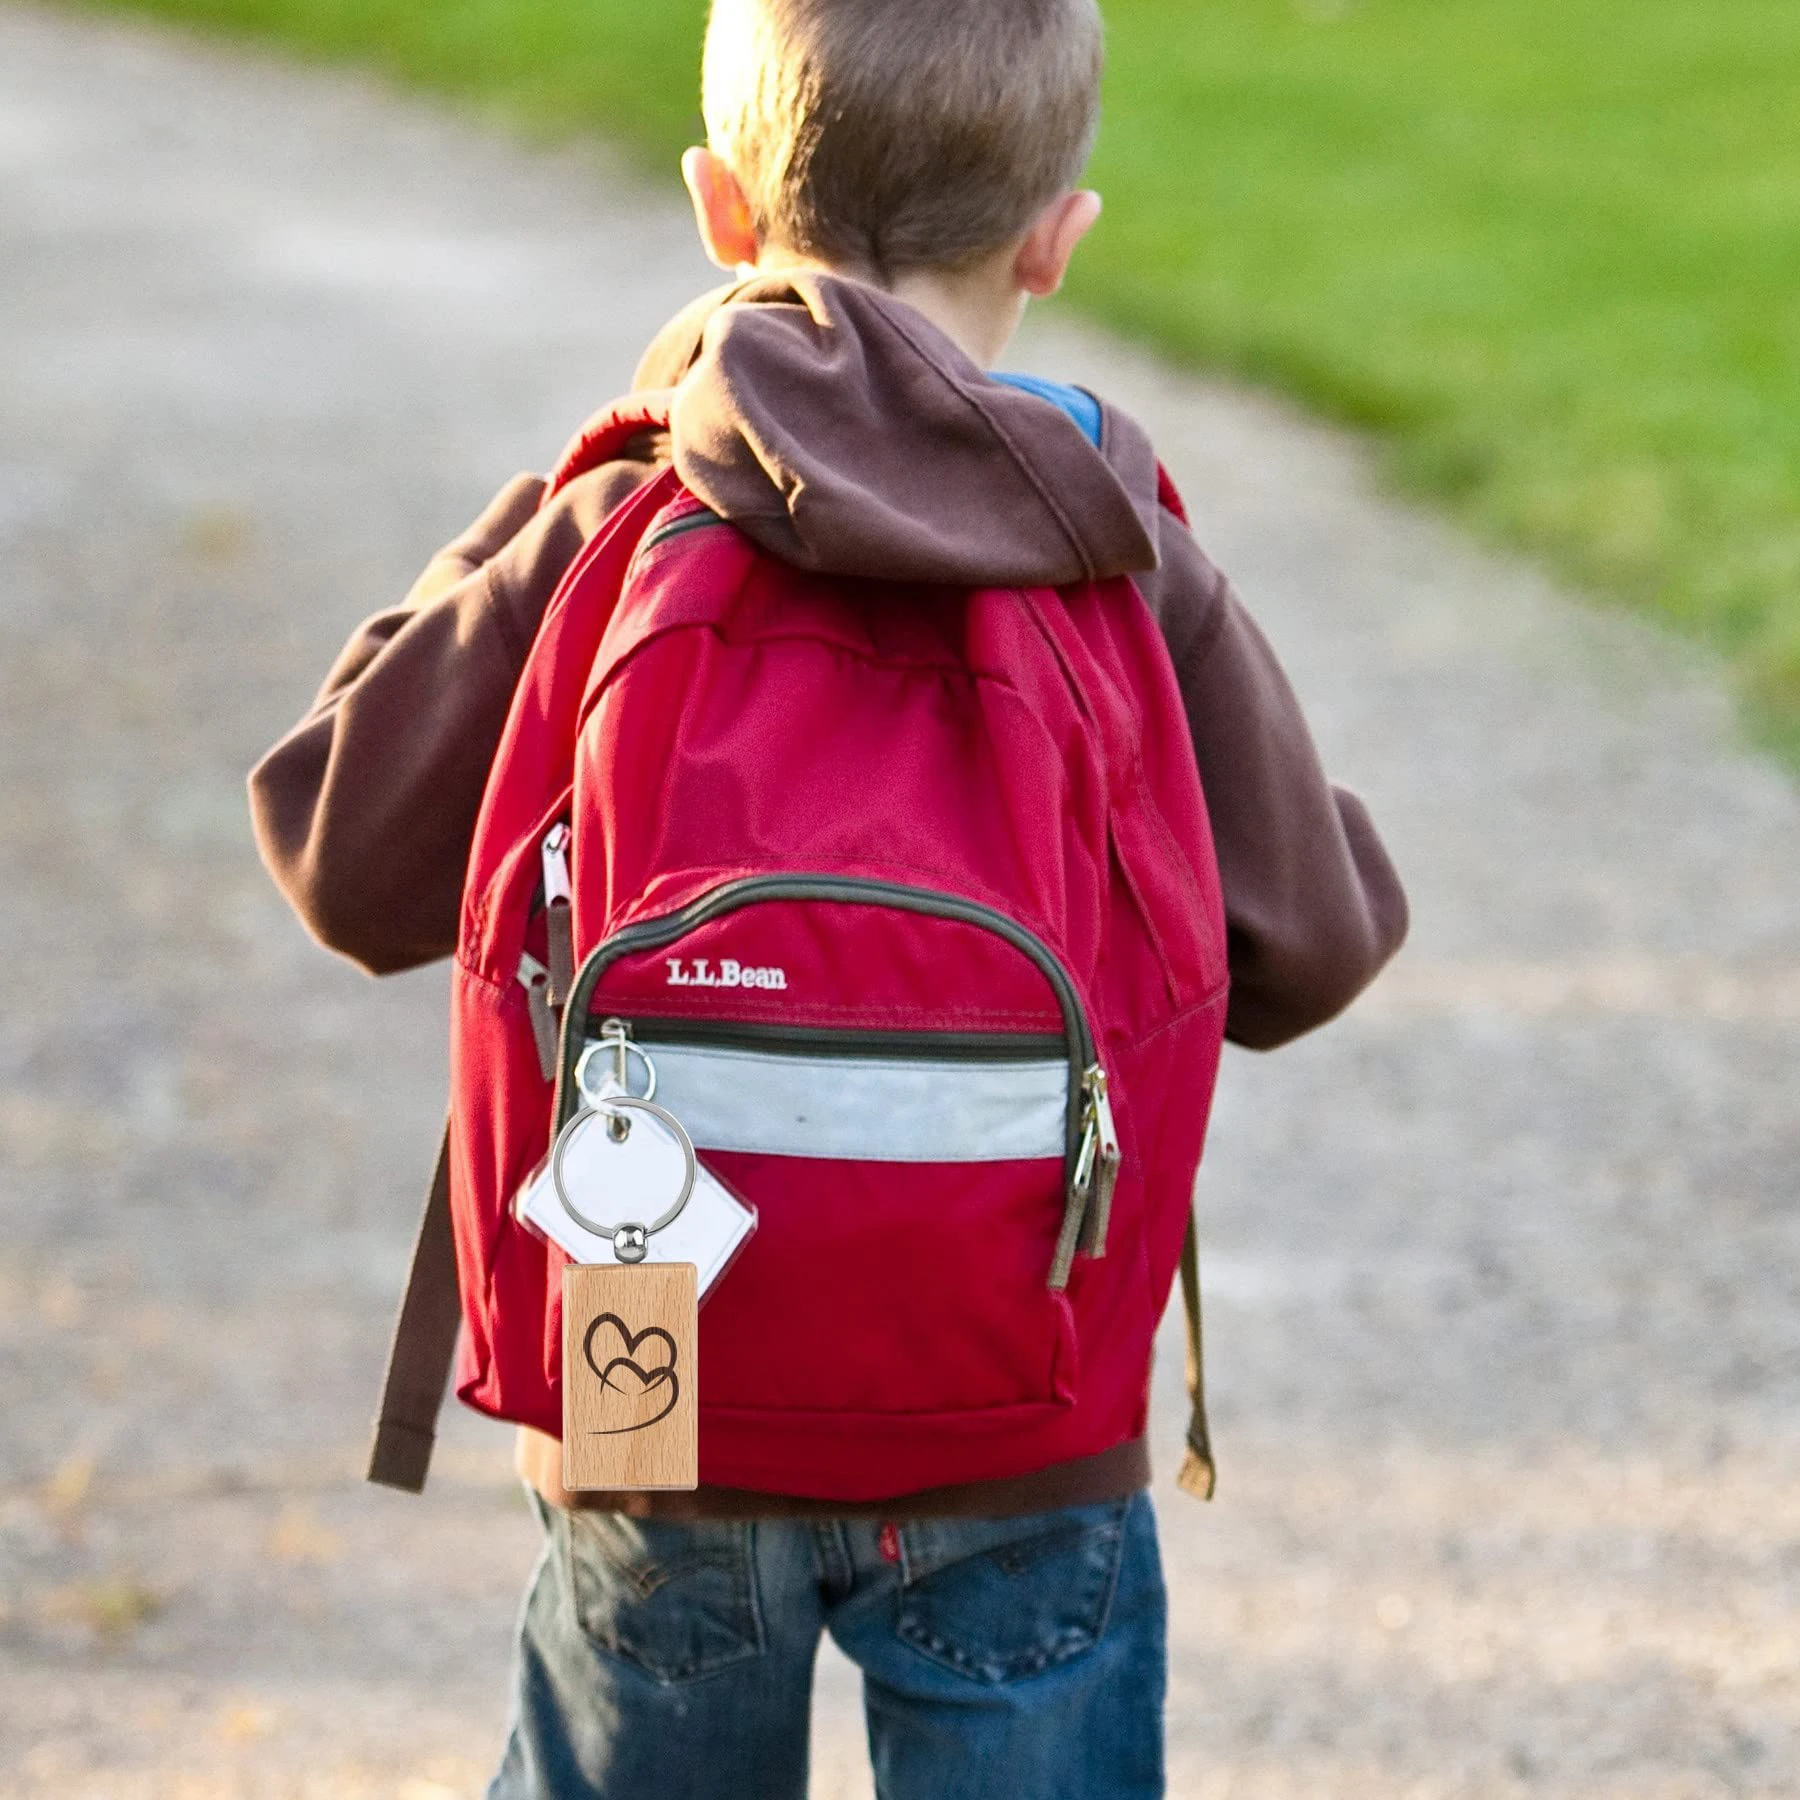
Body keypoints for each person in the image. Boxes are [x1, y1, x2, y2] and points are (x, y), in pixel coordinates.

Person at [249, 1, 1408, 1793]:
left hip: (657, 1381)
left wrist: (540, 514)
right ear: (1057, 235)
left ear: (720, 210)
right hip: (1019, 1397)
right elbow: (1310, 951)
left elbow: (338, 845)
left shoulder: (627, 508)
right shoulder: (1119, 543)